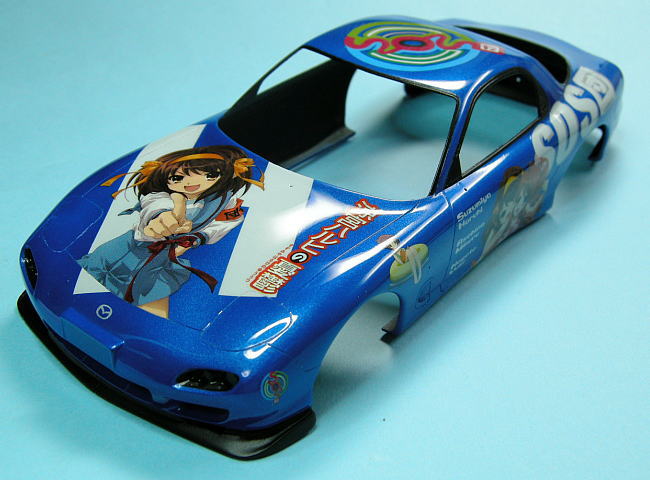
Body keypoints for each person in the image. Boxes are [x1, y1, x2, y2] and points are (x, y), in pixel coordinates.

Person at [78, 145, 264, 318]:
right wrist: (164, 218)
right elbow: (155, 209)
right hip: (125, 251)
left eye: (209, 175)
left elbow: (227, 220)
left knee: (152, 306)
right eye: (177, 178)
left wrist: (195, 238)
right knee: (92, 290)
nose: (192, 182)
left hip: (160, 260)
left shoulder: (222, 200)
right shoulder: (160, 197)